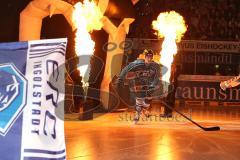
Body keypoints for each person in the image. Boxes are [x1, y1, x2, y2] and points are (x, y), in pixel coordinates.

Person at [115, 49, 160, 124]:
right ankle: (137, 116)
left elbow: (156, 77)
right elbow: (126, 69)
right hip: (138, 83)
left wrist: (152, 86)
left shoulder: (155, 66)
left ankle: (144, 109)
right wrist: (120, 78)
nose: (149, 58)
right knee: (139, 99)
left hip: (148, 85)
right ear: (145, 57)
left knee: (147, 102)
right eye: (147, 57)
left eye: (150, 57)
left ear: (152, 57)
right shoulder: (137, 63)